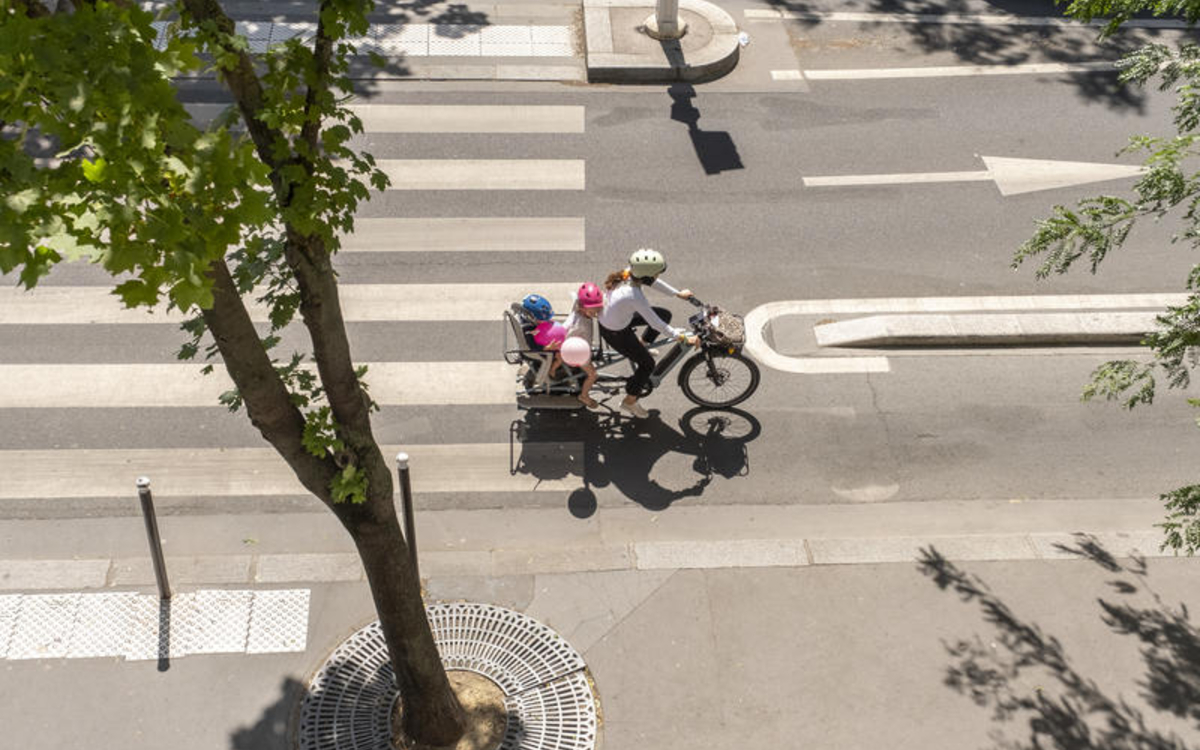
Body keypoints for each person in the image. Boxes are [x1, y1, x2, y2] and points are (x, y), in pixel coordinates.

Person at [598, 248, 698, 419]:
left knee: (664, 314)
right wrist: (681, 337)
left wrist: (677, 293)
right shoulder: (634, 296)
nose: (657, 276)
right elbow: (655, 324)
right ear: (647, 274)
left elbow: (653, 282)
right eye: (657, 273)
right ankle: (629, 401)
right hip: (615, 332)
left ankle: (641, 346)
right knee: (647, 365)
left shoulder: (629, 273)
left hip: (617, 318)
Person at [548, 282, 604, 408]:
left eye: (598, 308)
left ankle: (556, 366)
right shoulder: (579, 324)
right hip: (576, 352)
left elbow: (576, 298)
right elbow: (565, 337)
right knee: (593, 375)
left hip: (576, 346)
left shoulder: (577, 309)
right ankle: (584, 396)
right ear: (583, 307)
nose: (596, 312)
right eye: (593, 309)